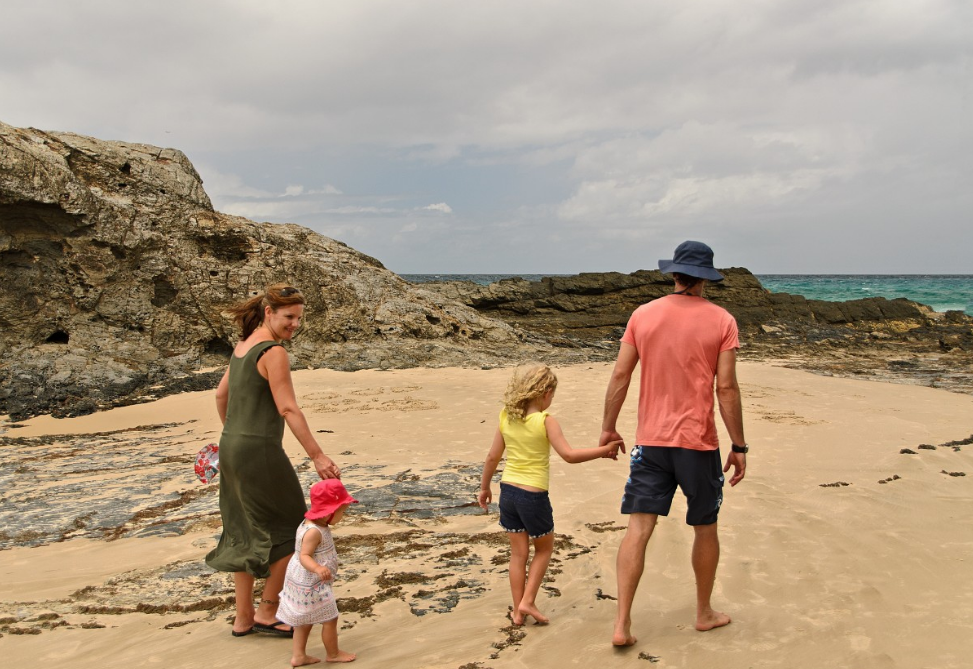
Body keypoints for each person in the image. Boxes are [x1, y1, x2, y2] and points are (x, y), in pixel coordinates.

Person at [599, 241, 748, 647]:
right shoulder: (722, 320)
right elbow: (727, 388)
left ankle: (622, 624)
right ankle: (703, 613)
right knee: (705, 527)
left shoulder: (643, 315)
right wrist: (739, 445)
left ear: (675, 274)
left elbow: (620, 377)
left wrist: (608, 428)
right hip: (697, 445)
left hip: (651, 443)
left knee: (638, 529)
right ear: (706, 278)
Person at [206, 284, 341, 639]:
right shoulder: (272, 351)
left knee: (242, 529)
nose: (294, 324)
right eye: (288, 317)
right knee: (291, 527)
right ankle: (268, 611)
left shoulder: (244, 345)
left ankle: (242, 617)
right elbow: (287, 407)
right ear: (269, 312)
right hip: (259, 450)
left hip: (232, 445)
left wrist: (234, 433)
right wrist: (317, 454)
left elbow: (221, 395)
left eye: (298, 318)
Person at [478, 363, 622, 626]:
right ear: (545, 392)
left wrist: (485, 487)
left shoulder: (506, 416)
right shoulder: (545, 421)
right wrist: (604, 451)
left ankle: (518, 614)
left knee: (518, 554)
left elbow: (492, 457)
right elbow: (568, 455)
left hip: (507, 492)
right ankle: (528, 601)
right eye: (552, 395)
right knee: (544, 549)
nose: (551, 400)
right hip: (533, 496)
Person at [277, 479, 358, 665]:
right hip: (311, 582)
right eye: (342, 511)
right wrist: (318, 568)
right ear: (329, 510)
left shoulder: (311, 524)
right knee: (330, 618)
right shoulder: (314, 531)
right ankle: (333, 654)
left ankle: (299, 656)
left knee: (304, 619)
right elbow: (304, 555)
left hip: (302, 580)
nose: (343, 516)